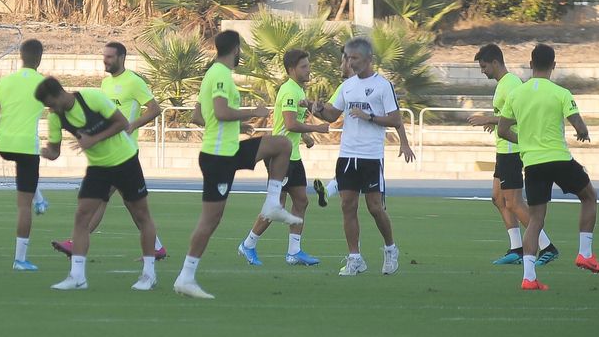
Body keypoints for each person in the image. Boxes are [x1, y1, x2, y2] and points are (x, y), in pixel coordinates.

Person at [172, 29, 304, 300]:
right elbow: (220, 112)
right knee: (210, 220)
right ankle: (186, 276)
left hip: (227, 150)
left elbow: (199, 116)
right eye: (240, 49)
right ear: (235, 49)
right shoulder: (220, 74)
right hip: (219, 157)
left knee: (281, 144)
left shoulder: (213, 73)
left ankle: (272, 204)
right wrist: (252, 112)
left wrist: (238, 125)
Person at [497, 43, 599, 291]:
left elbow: (502, 130)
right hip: (558, 158)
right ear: (554, 66)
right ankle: (585, 253)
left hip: (532, 162)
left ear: (531, 64)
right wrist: (583, 132)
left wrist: (524, 141)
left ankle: (529, 278)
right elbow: (579, 124)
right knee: (589, 196)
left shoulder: (516, 94)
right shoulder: (561, 93)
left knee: (535, 219)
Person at [37, 78, 161, 292]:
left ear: (60, 93)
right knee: (82, 217)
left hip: (125, 161)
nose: (51, 109)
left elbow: (122, 123)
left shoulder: (91, 98)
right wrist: (47, 153)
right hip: (98, 168)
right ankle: (77, 277)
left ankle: (149, 274)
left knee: (142, 216)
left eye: (51, 103)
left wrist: (94, 139)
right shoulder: (56, 117)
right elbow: (55, 150)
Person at [307, 36, 416, 277]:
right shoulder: (347, 86)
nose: (349, 62)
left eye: (354, 57)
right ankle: (355, 258)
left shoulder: (382, 85)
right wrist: (316, 109)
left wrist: (370, 118)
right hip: (347, 155)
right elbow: (333, 114)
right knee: (348, 206)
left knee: (375, 208)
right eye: (347, 57)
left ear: (368, 59)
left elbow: (395, 119)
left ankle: (390, 249)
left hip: (371, 156)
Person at [52, 40, 167, 260]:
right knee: (132, 205)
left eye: (110, 57)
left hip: (124, 153)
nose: (105, 60)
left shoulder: (134, 82)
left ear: (122, 57)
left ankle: (76, 243)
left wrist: (133, 125)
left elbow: (155, 109)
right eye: (104, 56)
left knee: (100, 199)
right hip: (108, 151)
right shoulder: (105, 85)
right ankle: (156, 247)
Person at [238, 48, 331, 267]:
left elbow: (289, 125)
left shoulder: (298, 91)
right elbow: (289, 124)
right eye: (304, 66)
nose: (309, 70)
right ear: (291, 69)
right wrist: (317, 128)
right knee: (276, 204)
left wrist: (305, 136)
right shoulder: (289, 92)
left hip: (292, 156)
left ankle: (294, 252)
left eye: (308, 65)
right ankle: (248, 244)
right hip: (280, 157)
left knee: (301, 200)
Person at [469, 43, 557, 266]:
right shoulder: (503, 84)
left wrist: (488, 119)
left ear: (496, 63)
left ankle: (547, 246)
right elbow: (505, 115)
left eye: (484, 66)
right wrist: (494, 121)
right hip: (502, 148)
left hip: (512, 149)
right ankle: (516, 249)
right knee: (497, 198)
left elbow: (520, 116)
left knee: (515, 202)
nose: (482, 71)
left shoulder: (512, 84)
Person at [0, 38, 54, 271]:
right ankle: (20, 259)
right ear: (40, 58)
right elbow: (56, 112)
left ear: (20, 57)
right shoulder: (44, 84)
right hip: (26, 147)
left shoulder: (5, 81)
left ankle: (40, 198)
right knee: (24, 205)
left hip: (5, 146)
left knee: (27, 184)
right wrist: (54, 142)